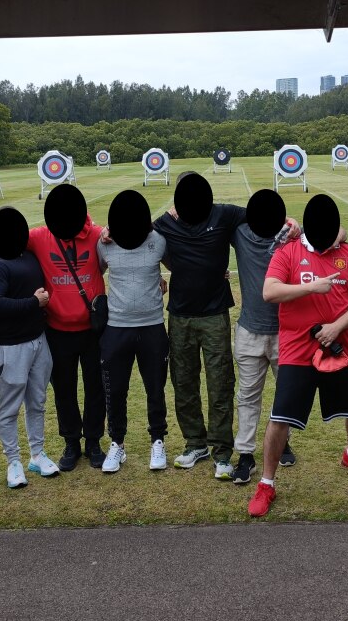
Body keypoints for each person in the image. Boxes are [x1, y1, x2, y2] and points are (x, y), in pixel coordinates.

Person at [249, 194, 348, 517]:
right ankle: (266, 483)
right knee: (280, 417)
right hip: (297, 348)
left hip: (341, 342)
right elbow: (270, 291)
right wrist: (311, 287)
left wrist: (337, 327)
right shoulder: (289, 251)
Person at [153, 172, 246, 480]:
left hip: (215, 314)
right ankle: (195, 443)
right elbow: (134, 237)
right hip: (180, 315)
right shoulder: (164, 224)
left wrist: (291, 221)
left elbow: (262, 216)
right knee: (183, 382)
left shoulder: (223, 214)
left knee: (220, 382)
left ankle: (222, 452)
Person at [229, 189, 309, 484]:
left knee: (285, 396)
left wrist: (295, 224)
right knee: (248, 396)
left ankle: (281, 440)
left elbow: (337, 235)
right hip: (250, 330)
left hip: (285, 333)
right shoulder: (239, 232)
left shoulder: (291, 237)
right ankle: (246, 454)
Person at [28, 184, 107, 470]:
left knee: (95, 387)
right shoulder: (38, 237)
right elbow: (2, 240)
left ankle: (94, 441)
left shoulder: (98, 235)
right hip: (57, 330)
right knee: (64, 389)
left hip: (93, 329)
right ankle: (71, 442)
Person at [0, 207, 57, 488]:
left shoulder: (29, 256)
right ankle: (13, 461)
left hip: (38, 341)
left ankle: (37, 455)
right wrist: (32, 303)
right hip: (9, 348)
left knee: (37, 402)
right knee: (10, 407)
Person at [97, 190, 170, 473]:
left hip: (152, 326)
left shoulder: (158, 241)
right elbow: (96, 273)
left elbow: (179, 266)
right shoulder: (105, 243)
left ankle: (158, 441)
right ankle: (117, 443)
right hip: (116, 328)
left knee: (155, 388)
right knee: (116, 390)